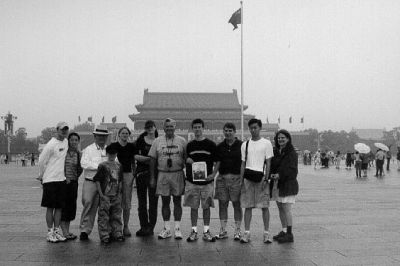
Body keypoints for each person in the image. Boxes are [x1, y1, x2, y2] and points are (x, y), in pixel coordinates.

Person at [149, 118, 187, 240]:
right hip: (163, 174)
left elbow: (187, 159)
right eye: (167, 127)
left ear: (175, 127)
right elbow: (152, 160)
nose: (169, 129)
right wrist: (152, 178)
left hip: (177, 174)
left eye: (171, 126)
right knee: (165, 202)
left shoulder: (182, 141)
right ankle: (166, 228)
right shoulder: (157, 141)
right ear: (163, 128)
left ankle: (177, 228)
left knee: (177, 201)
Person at [239, 118, 273, 244]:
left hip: (261, 178)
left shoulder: (266, 143)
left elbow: (269, 162)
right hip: (248, 179)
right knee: (248, 207)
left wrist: (267, 178)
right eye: (251, 128)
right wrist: (241, 179)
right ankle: (247, 233)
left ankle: (266, 233)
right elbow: (243, 163)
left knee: (264, 206)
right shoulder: (245, 144)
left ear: (260, 128)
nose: (253, 130)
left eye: (255, 127)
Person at [184, 119, 217, 242]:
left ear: (203, 128)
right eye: (195, 127)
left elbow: (217, 161)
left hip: (206, 182)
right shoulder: (190, 145)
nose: (197, 129)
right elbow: (184, 158)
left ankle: (206, 231)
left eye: (199, 127)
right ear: (193, 129)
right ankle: (194, 231)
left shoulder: (211, 144)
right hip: (192, 182)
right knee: (194, 207)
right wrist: (187, 160)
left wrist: (213, 174)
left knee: (206, 206)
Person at [38, 122, 69, 243]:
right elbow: (41, 160)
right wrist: (41, 175)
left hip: (61, 179)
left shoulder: (66, 142)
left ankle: (56, 231)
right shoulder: (51, 144)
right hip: (50, 179)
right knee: (50, 207)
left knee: (59, 207)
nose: (64, 132)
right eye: (62, 130)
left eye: (66, 129)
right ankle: (49, 232)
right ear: (57, 130)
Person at [79, 125, 110, 241]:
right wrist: (100, 166)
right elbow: (84, 164)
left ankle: (107, 231)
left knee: (106, 207)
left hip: (105, 183)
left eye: (104, 136)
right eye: (99, 136)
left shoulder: (109, 149)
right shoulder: (88, 149)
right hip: (91, 181)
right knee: (88, 203)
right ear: (95, 136)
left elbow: (114, 163)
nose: (101, 138)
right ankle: (84, 230)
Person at [214, 122, 243, 241]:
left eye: (230, 130)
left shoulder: (242, 145)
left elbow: (244, 163)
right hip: (222, 178)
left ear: (235, 132)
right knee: (222, 204)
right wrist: (213, 175)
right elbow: (217, 162)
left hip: (236, 178)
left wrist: (242, 178)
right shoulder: (220, 146)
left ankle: (237, 230)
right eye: (226, 130)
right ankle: (223, 229)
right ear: (223, 132)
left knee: (237, 204)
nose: (228, 133)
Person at [270, 129, 299, 243]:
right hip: (278, 184)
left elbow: (292, 169)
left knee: (286, 209)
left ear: (288, 139)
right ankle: (284, 230)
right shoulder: (277, 151)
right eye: (279, 138)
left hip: (288, 184)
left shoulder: (292, 152)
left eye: (283, 137)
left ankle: (290, 234)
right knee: (280, 208)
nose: (280, 139)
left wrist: (280, 175)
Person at [108, 127, 136, 237]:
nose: (125, 135)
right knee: (115, 201)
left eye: (126, 133)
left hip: (128, 175)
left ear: (128, 135)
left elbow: (133, 161)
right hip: (115, 175)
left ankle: (126, 226)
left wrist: (133, 175)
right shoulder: (113, 146)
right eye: (122, 133)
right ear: (119, 134)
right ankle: (115, 227)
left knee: (127, 202)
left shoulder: (131, 146)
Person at [93, 145, 124, 244]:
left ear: (116, 154)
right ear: (107, 154)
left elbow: (121, 180)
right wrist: (101, 194)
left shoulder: (119, 166)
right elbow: (97, 180)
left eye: (114, 154)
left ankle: (117, 233)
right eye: (110, 154)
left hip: (116, 195)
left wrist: (119, 193)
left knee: (117, 216)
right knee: (103, 217)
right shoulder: (102, 166)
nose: (112, 155)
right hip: (105, 195)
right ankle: (104, 235)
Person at [134, 120, 159, 237]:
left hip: (155, 174)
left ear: (155, 128)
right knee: (142, 202)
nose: (150, 129)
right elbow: (135, 156)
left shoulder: (159, 141)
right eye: (148, 127)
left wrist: (148, 159)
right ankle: (143, 226)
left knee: (153, 202)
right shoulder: (140, 140)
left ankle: (151, 227)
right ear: (145, 128)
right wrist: (150, 159)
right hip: (141, 174)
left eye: (151, 127)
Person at [60, 132, 83, 240]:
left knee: (70, 207)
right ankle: (64, 232)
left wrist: (75, 177)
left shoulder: (79, 153)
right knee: (63, 207)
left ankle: (67, 231)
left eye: (76, 140)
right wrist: (65, 177)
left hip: (73, 183)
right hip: (64, 183)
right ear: (68, 141)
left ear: (78, 142)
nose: (74, 142)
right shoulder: (63, 152)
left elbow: (80, 168)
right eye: (72, 140)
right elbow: (59, 166)